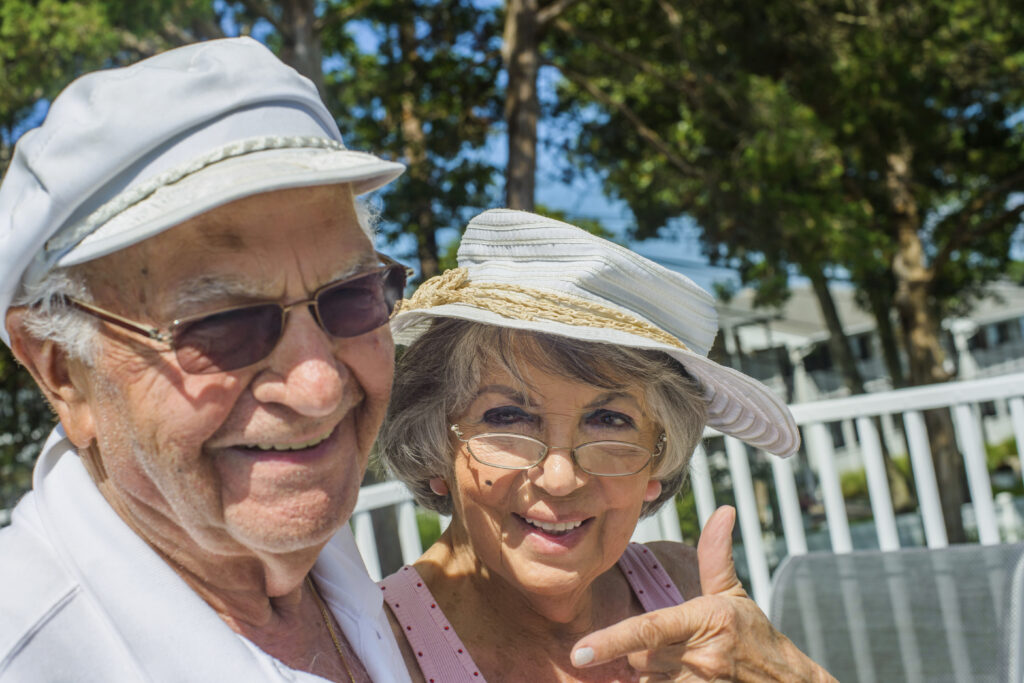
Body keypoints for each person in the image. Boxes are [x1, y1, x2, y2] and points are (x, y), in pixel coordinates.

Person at [0, 38, 415, 682]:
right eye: (222, 325)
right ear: (59, 371)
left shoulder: (315, 560)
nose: (319, 387)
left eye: (350, 296)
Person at [376, 209, 837, 682]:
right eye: (508, 417)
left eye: (608, 421)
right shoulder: (372, 652)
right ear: (434, 446)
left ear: (658, 461)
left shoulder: (688, 592)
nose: (559, 479)